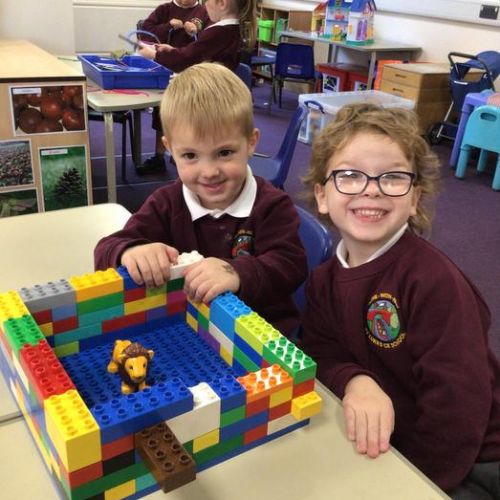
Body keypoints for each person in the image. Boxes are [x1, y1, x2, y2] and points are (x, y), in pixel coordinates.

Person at [301, 103, 500, 498]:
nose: (371, 188)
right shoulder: (325, 278)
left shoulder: (432, 282)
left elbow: (457, 410)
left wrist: (412, 486)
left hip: (474, 458)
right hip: (395, 437)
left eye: (392, 177)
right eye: (350, 175)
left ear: (414, 199)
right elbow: (319, 350)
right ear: (322, 196)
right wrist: (356, 381)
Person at [94, 63, 306, 337]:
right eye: (190, 156)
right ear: (169, 149)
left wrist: (237, 273)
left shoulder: (272, 206)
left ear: (251, 143)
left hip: (259, 338)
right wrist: (130, 252)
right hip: (189, 334)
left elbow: (290, 265)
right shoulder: (167, 202)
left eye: (225, 152)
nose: (209, 173)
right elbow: (105, 250)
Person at [137, 0, 210, 175]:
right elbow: (145, 32)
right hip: (165, 71)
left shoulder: (204, 12)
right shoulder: (165, 9)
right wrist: (167, 26)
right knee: (163, 112)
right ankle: (159, 157)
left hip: (193, 73)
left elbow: (208, 41)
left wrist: (196, 31)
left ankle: (186, 156)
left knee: (189, 117)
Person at [138, 0, 256, 74]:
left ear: (222, 3)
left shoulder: (217, 32)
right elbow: (196, 53)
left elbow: (185, 59)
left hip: (207, 97)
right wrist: (173, 50)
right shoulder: (234, 29)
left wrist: (154, 55)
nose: (205, 4)